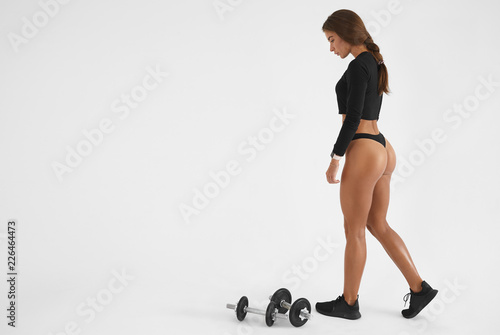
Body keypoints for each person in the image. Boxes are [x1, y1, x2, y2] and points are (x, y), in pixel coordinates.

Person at [315, 9, 438, 320]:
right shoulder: (374, 60)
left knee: (353, 229)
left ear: (345, 34)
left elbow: (353, 118)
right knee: (377, 225)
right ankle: (420, 289)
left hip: (364, 149)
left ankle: (349, 302)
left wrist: (335, 158)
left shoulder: (359, 65)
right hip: (383, 148)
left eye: (332, 40)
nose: (331, 48)